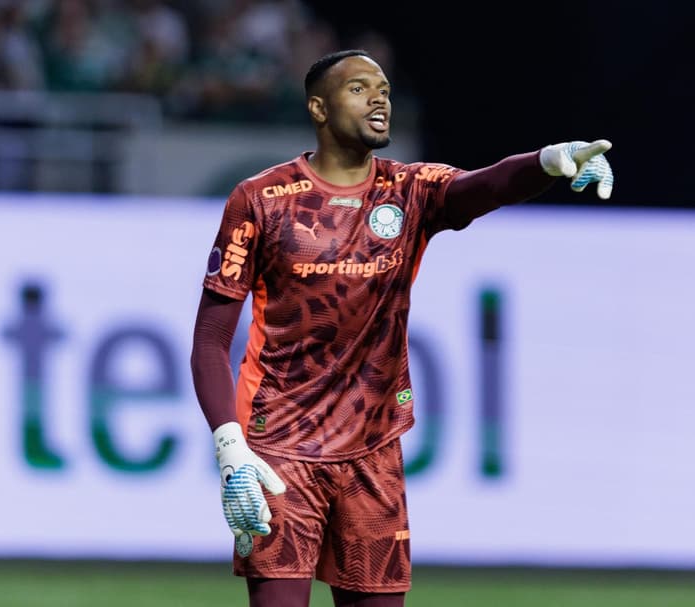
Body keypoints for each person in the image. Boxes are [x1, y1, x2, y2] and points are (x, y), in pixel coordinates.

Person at [190, 48, 613, 607]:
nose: (379, 98)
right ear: (319, 108)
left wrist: (549, 161)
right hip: (280, 451)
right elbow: (210, 340)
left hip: (373, 450)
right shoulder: (261, 200)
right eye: (360, 88)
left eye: (384, 89)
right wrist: (230, 450)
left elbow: (483, 187)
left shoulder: (409, 191)